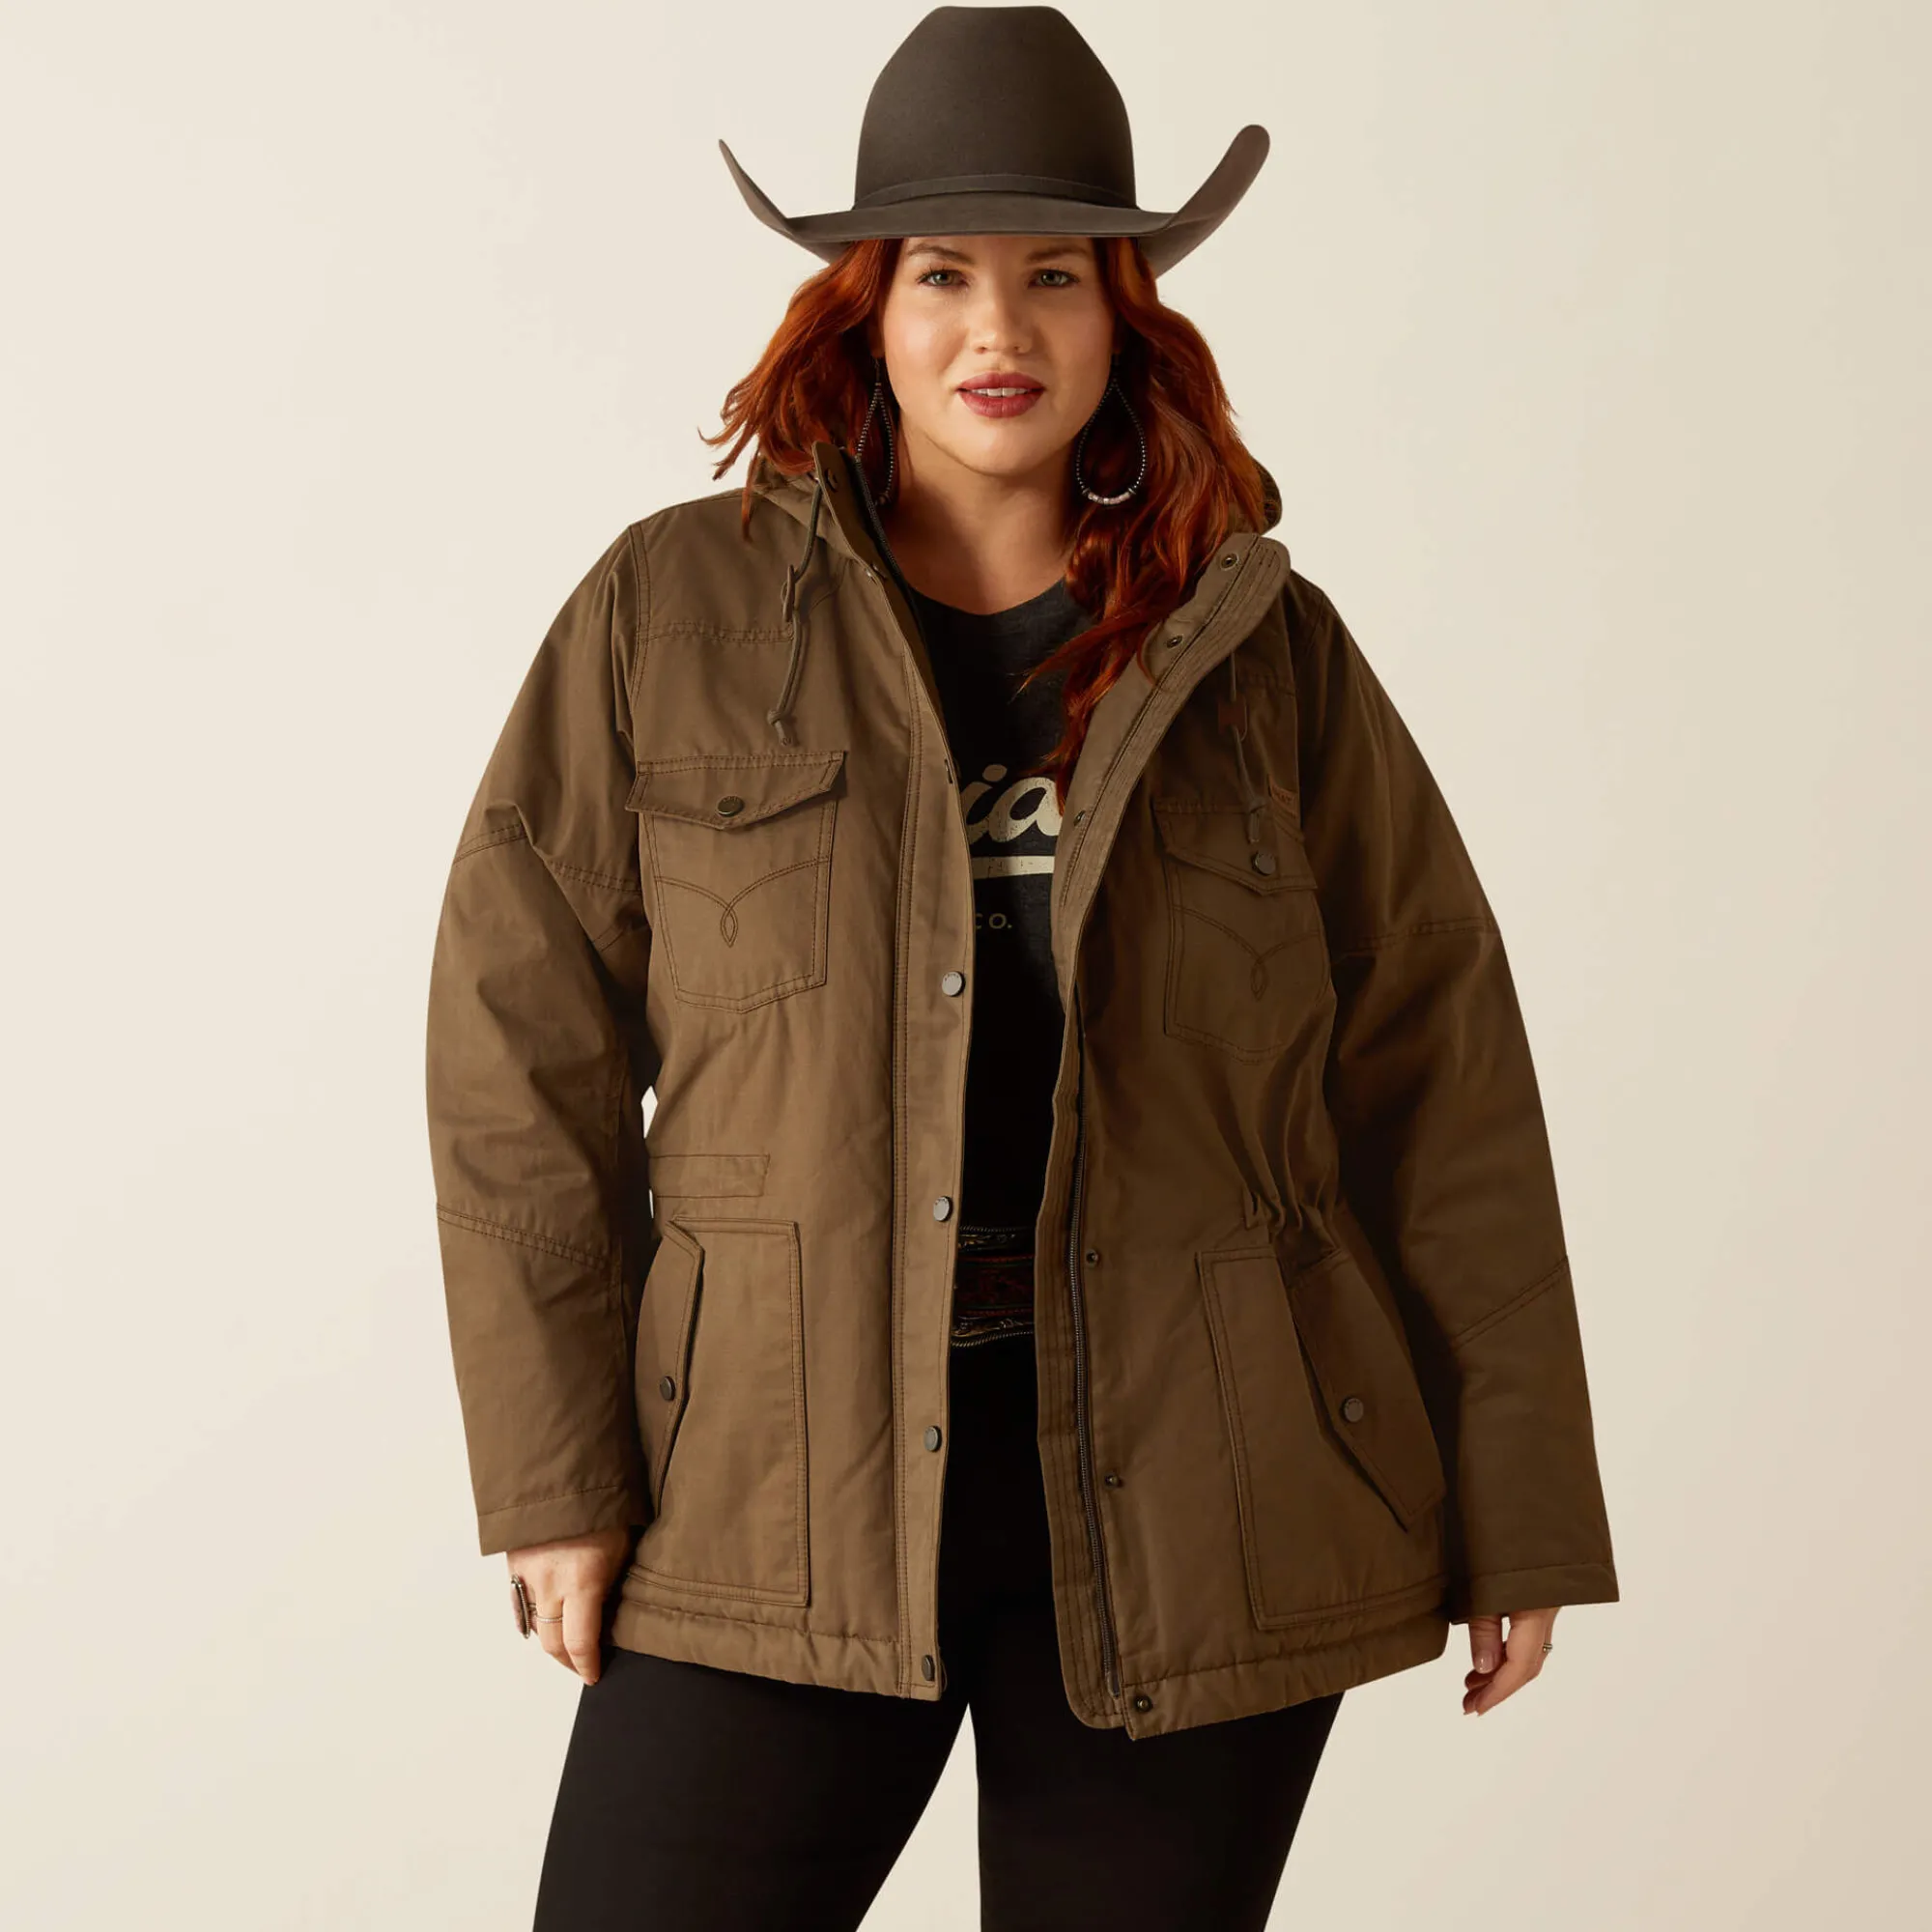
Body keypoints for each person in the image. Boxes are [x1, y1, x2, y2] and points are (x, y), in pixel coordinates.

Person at [423, 9, 1619, 1927]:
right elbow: (518, 1053)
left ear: (1124, 313)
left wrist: (1523, 1502)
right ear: (865, 309)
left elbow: (1438, 1068)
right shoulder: (671, 613)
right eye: (943, 274)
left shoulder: (1263, 651)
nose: (1000, 330)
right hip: (771, 1490)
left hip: (1198, 1495)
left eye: (1054, 275)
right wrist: (554, 1473)